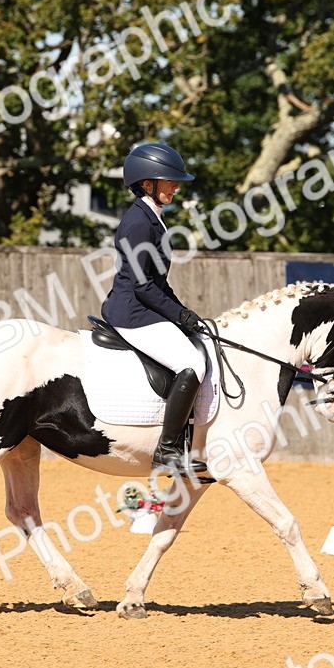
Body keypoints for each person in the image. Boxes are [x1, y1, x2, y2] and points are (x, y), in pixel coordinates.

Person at [100, 142, 208, 476]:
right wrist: (177, 315)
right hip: (132, 313)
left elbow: (157, 283)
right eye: (170, 181)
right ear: (148, 183)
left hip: (144, 306)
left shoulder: (152, 219)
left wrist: (184, 312)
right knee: (191, 364)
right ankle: (168, 450)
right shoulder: (138, 224)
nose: (176, 186)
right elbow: (141, 285)